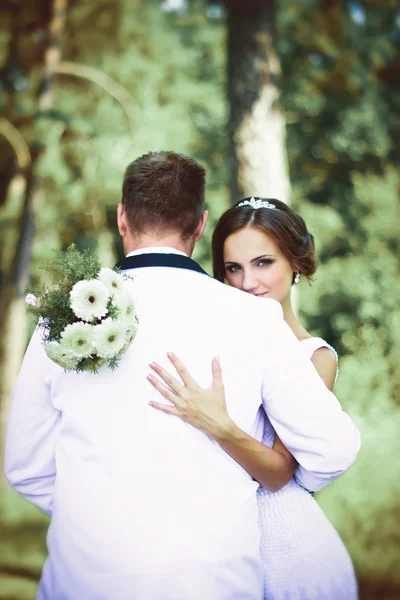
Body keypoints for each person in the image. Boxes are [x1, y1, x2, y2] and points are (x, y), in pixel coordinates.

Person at [4, 155, 360, 600]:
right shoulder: (256, 319)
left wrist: (102, 516)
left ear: (121, 218)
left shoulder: (67, 317)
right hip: (215, 583)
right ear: (200, 226)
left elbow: (25, 467)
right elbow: (331, 451)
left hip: (83, 581)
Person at [147, 196, 358, 599]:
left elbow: (277, 474)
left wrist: (220, 426)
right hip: (210, 533)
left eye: (264, 263)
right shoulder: (217, 337)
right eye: (233, 268)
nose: (247, 283)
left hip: (279, 543)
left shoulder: (313, 357)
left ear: (294, 261)